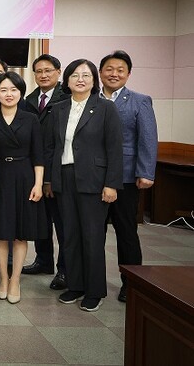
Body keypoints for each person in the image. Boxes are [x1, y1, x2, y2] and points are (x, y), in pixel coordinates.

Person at [45, 59, 123, 312]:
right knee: (69, 235)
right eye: (75, 75)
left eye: (86, 75)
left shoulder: (105, 108)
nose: (80, 79)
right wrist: (49, 180)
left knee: (92, 236)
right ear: (66, 81)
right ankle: (75, 285)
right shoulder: (58, 109)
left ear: (93, 80)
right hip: (64, 178)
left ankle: (95, 290)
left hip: (94, 180)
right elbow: (51, 147)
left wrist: (111, 184)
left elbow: (114, 148)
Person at [99, 50, 157, 303]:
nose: (114, 74)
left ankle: (131, 283)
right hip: (94, 176)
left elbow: (147, 138)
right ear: (100, 72)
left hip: (125, 177)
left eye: (120, 70)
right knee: (94, 232)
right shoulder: (90, 98)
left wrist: (146, 171)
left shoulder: (140, 101)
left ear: (128, 74)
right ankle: (93, 281)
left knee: (126, 231)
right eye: (109, 69)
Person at [0, 72, 46, 304]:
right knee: (1, 231)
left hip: (25, 177)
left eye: (13, 89)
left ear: (21, 92)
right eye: (3, 90)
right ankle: (3, 278)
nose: (8, 94)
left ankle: (15, 279)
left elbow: (38, 155)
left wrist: (38, 184)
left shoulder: (31, 119)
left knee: (21, 233)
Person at [22, 54, 70, 291]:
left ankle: (65, 269)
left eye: (48, 70)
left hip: (58, 171)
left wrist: (50, 177)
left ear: (58, 72)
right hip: (34, 170)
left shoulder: (67, 98)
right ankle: (43, 261)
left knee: (62, 223)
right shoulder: (29, 100)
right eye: (39, 71)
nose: (43, 75)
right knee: (41, 220)